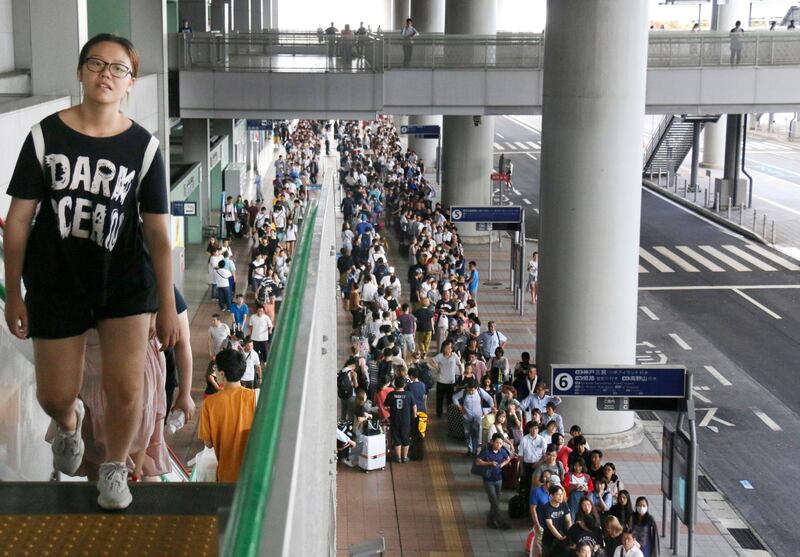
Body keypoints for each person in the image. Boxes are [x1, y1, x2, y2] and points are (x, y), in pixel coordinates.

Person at [4, 33, 180, 510]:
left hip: (123, 283)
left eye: (118, 68)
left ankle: (114, 468)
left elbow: (159, 235)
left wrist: (167, 305)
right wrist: (16, 293)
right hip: (56, 283)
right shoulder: (45, 135)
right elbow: (18, 221)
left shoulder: (144, 147)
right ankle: (68, 423)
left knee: (128, 390)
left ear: (131, 82)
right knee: (55, 394)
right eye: (96, 64)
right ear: (81, 73)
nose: (106, 74)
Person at [198, 348, 257, 482]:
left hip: (226, 477)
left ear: (222, 374)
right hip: (252, 477)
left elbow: (208, 444)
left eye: (216, 368)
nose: (214, 372)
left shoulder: (210, 403)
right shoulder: (255, 397)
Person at [475, 433, 512, 529]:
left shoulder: (502, 451)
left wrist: (502, 464)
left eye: (500, 443)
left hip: (498, 479)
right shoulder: (486, 451)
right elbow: (478, 461)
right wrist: (490, 463)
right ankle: (501, 522)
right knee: (494, 501)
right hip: (488, 480)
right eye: (497, 443)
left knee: (495, 501)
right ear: (492, 442)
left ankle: (490, 521)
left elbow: (508, 458)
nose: (498, 445)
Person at [453, 378, 495, 456]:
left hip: (477, 417)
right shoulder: (464, 392)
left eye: (473, 390)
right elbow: (454, 397)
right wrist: (459, 406)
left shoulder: (480, 391)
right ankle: (469, 449)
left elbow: (489, 398)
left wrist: (492, 406)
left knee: (475, 435)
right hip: (466, 417)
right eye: (469, 390)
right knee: (467, 434)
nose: (471, 392)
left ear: (476, 388)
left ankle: (475, 451)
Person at [385, 377, 416, 463]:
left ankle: (398, 457)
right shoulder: (409, 394)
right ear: (404, 385)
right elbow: (414, 406)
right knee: (406, 438)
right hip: (406, 420)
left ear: (395, 384)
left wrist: (391, 411)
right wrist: (414, 416)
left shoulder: (391, 394)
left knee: (396, 438)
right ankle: (405, 457)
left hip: (395, 419)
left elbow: (386, 406)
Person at [430, 341, 463, 416]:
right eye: (445, 348)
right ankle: (439, 413)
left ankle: (450, 413)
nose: (446, 350)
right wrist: (437, 367)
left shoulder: (454, 356)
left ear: (451, 349)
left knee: (450, 399)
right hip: (441, 381)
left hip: (451, 381)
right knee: (439, 399)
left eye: (448, 348)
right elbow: (431, 361)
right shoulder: (440, 356)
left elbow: (460, 364)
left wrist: (462, 373)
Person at [541, 485, 572, 557]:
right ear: (551, 495)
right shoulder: (546, 508)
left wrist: (569, 533)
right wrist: (560, 537)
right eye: (558, 494)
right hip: (549, 539)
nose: (561, 497)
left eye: (561, 494)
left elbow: (568, 520)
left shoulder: (564, 504)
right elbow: (550, 525)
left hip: (563, 536)